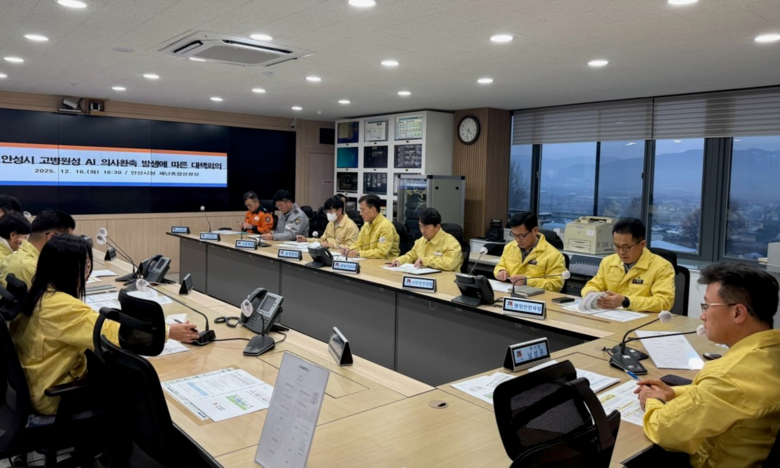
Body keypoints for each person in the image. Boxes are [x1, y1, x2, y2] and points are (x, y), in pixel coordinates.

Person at [13, 234, 199, 415]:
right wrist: (167, 331)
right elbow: (111, 334)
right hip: (55, 396)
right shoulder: (62, 306)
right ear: (67, 268)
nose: (88, 271)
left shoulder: (40, 291)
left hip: (37, 382)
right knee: (138, 391)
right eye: (86, 265)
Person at [635, 262, 780, 468]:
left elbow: (665, 430)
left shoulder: (727, 377)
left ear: (738, 313)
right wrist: (673, 393)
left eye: (707, 306)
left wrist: (652, 399)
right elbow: (721, 396)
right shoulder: (770, 351)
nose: (702, 316)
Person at [581, 217, 675, 312]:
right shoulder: (608, 261)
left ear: (642, 244)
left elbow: (664, 302)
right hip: (610, 315)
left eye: (626, 247)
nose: (621, 252)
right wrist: (591, 294)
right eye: (617, 246)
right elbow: (593, 284)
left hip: (642, 318)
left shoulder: (662, 267)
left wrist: (626, 301)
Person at [0, 208, 76, 289]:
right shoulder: (34, 268)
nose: (67, 245)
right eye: (67, 239)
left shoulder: (15, 256)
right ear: (51, 237)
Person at [494, 212, 566, 292]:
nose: (517, 240)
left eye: (521, 236)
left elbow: (555, 285)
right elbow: (500, 265)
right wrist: (500, 271)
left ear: (535, 230)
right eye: (514, 235)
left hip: (537, 296)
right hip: (510, 292)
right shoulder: (509, 247)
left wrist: (527, 282)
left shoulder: (554, 255)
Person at [390, 208, 462, 271]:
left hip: (446, 280)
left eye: (426, 227)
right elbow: (411, 256)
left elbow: (450, 263)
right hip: (424, 277)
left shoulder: (451, 243)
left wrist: (426, 261)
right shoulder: (421, 241)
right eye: (420, 226)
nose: (422, 231)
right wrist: (400, 260)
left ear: (437, 227)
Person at [343, 194, 399, 259]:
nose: (360, 213)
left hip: (385, 263)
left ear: (373, 209)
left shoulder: (386, 226)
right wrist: (348, 250)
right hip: (368, 260)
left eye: (363, 210)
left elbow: (382, 252)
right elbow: (359, 244)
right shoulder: (366, 224)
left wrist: (358, 254)